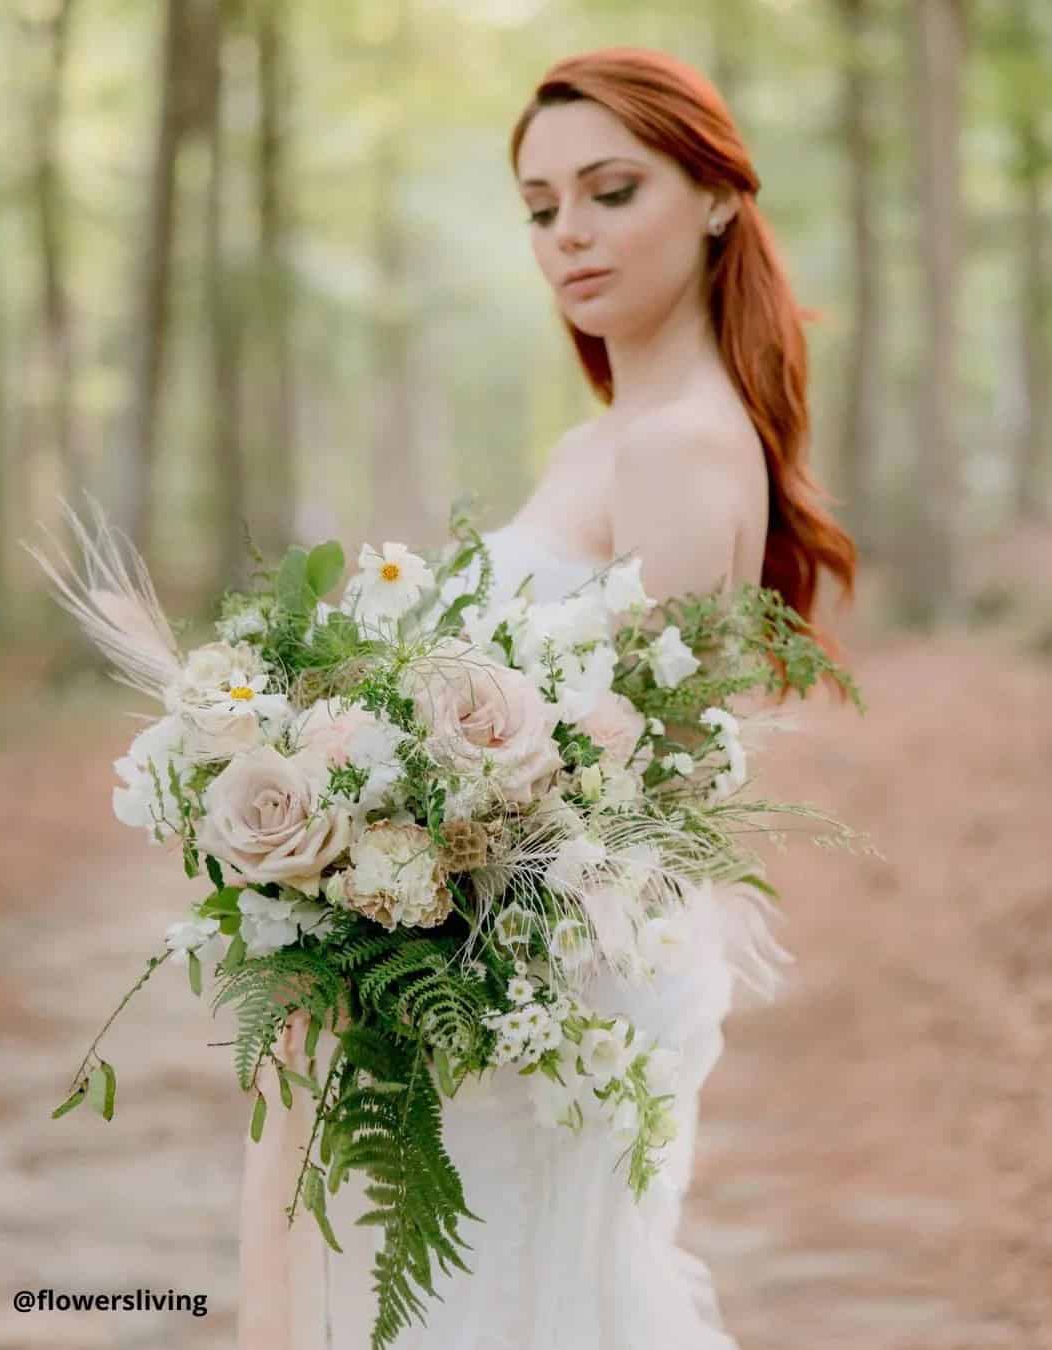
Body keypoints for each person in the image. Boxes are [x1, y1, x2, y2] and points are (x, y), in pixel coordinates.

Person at [237, 45, 857, 1350]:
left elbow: (648, 782)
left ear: (717, 197)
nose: (568, 234)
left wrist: (392, 846)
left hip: (558, 976)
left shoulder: (684, 443)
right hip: (496, 955)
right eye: (539, 206)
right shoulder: (607, 437)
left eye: (610, 190)